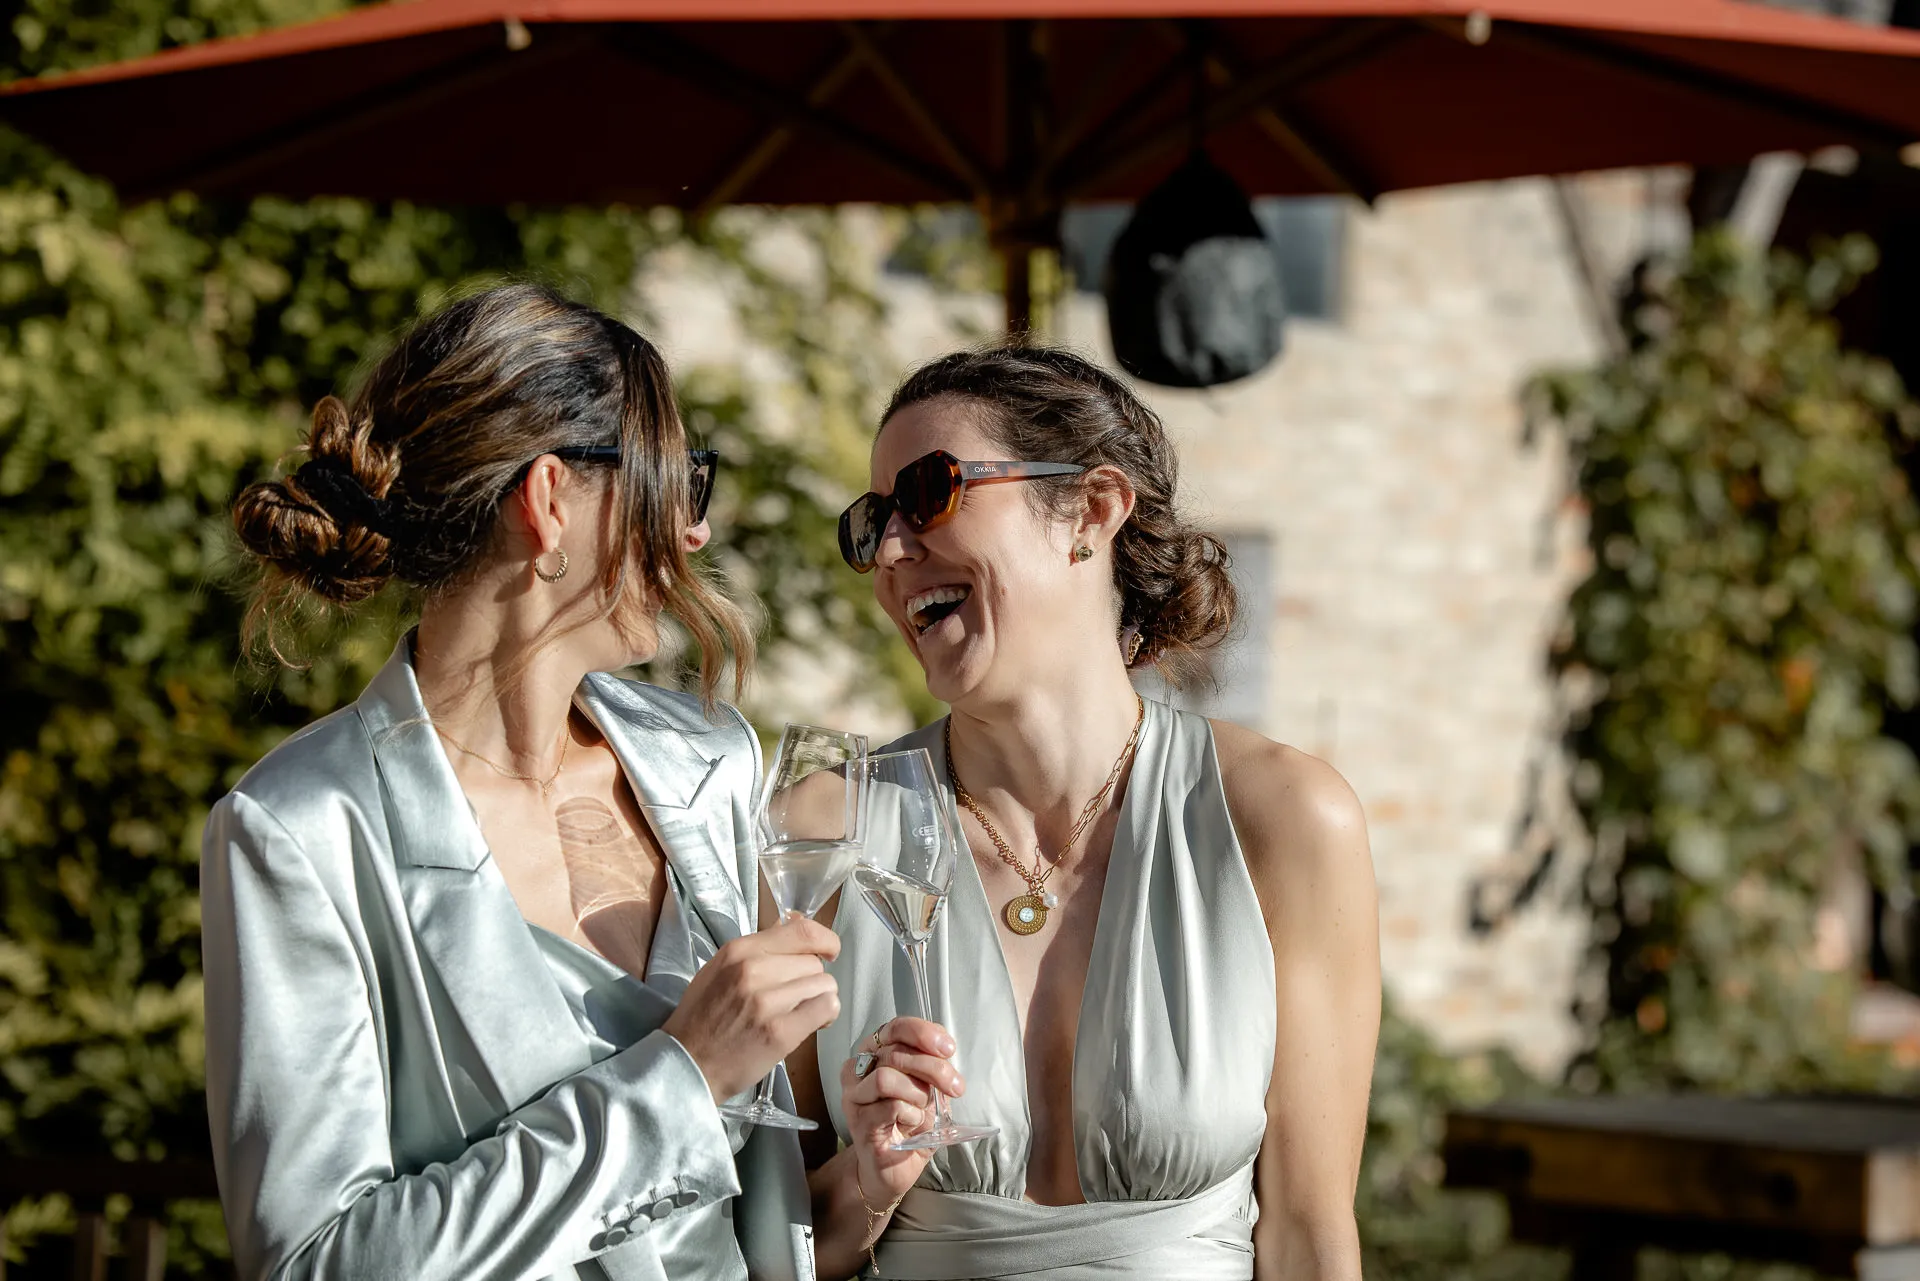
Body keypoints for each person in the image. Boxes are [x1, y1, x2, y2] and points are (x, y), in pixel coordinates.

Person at [204, 282, 844, 1281]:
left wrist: (873, 1169)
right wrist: (679, 1080)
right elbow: (315, 1263)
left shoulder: (713, 764)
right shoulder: (301, 830)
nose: (694, 531)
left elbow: (763, 1198)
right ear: (551, 500)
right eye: (675, 483)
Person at [794, 346, 1382, 1280]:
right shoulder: (816, 835)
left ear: (1092, 510)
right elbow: (752, 1246)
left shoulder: (1285, 819)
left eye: (928, 493)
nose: (894, 550)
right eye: (874, 521)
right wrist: (869, 1178)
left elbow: (1309, 1235)